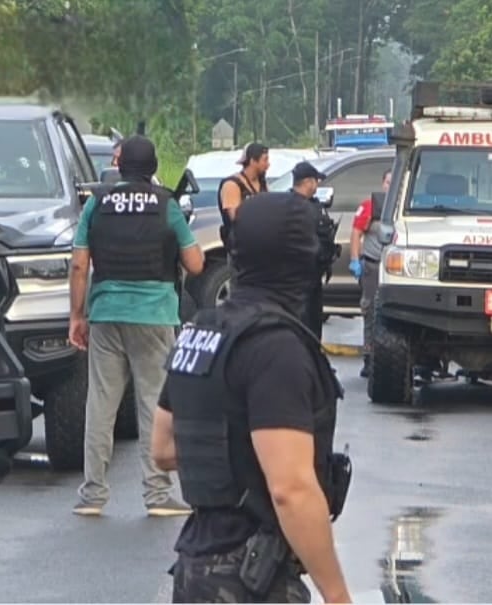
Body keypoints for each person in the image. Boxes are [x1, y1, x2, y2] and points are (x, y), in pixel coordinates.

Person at [151, 191, 353, 604]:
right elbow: (290, 489)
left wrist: (232, 458)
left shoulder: (202, 330)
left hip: (196, 567)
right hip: (252, 575)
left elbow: (164, 448)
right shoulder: (275, 347)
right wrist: (337, 596)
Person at [68, 135, 205, 517]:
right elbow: (195, 264)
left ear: (120, 164)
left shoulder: (97, 202)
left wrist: (76, 316)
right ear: (152, 167)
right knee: (152, 405)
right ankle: (157, 495)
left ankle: (92, 494)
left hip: (106, 313)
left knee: (101, 405)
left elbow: (79, 265)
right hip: (154, 315)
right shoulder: (167, 206)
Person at [349, 169, 392, 377]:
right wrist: (355, 259)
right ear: (382, 183)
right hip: (373, 265)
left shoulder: (405, 208)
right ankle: (369, 356)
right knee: (370, 311)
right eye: (387, 182)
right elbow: (356, 233)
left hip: (395, 268)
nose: (390, 186)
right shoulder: (369, 206)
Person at [290, 160, 339, 339]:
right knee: (304, 323)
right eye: (315, 181)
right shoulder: (294, 206)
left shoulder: (312, 204)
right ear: (308, 182)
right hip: (299, 275)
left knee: (313, 321)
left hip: (313, 272)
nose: (317, 185)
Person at [217, 143, 270, 252]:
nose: (268, 164)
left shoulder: (263, 183)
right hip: (241, 247)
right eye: (264, 160)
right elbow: (236, 218)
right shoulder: (232, 185)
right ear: (252, 161)